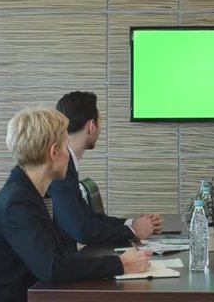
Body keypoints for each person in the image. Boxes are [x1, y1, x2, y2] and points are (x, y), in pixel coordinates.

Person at [0, 107, 152, 302]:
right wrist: (120, 264)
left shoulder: (32, 191)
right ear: (54, 152)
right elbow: (51, 267)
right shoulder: (18, 202)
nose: (68, 155)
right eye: (66, 147)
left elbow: (62, 254)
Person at [48, 91, 163, 253]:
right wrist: (133, 231)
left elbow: (89, 219)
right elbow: (81, 230)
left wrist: (132, 224)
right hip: (58, 270)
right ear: (91, 126)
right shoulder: (60, 171)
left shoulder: (68, 166)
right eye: (101, 121)